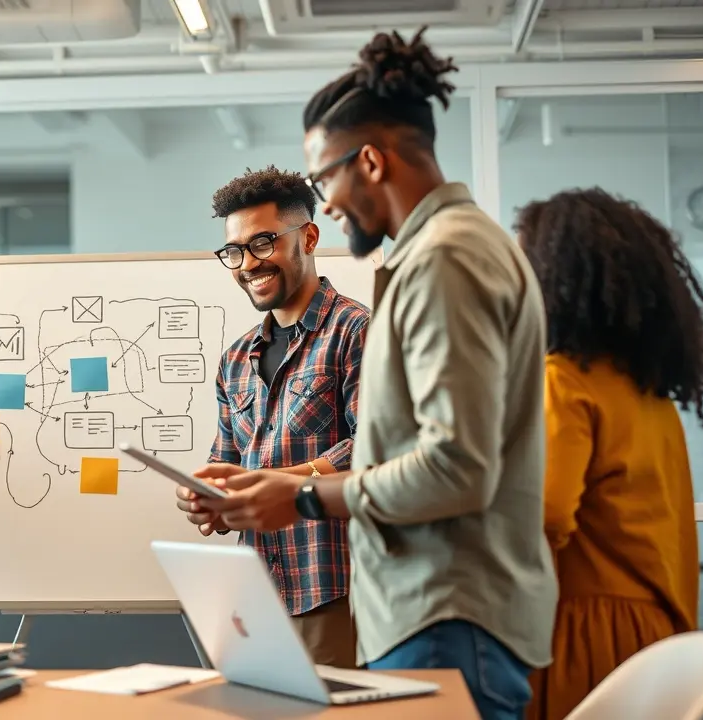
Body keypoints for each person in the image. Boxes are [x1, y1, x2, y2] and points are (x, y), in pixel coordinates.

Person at [178, 29, 556, 720]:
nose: (326, 202)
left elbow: (456, 468)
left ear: (372, 161)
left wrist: (300, 494)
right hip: (426, 613)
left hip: (442, 613)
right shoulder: (440, 254)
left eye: (324, 180)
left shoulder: (446, 258)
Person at [515, 188, 703, 720]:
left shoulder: (563, 381)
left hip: (582, 638)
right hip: (654, 639)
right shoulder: (651, 397)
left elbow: (540, 519)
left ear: (553, 278)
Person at [183, 166, 368, 668]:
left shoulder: (356, 331)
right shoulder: (235, 359)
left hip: (334, 592)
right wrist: (211, 500)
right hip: (254, 599)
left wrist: (278, 484)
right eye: (235, 251)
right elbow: (227, 466)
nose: (248, 264)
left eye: (263, 243)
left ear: (308, 237)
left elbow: (375, 451)